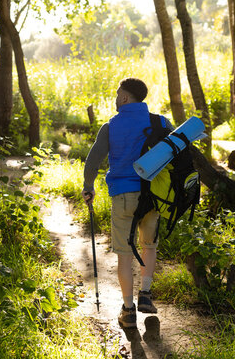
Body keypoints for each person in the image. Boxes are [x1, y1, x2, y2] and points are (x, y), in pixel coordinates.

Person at [81, 77, 173, 329]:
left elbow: (93, 161)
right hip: (152, 197)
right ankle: (145, 294)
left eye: (117, 93)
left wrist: (88, 187)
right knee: (149, 246)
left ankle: (128, 310)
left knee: (124, 255)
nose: (115, 97)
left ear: (124, 97)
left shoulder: (110, 126)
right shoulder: (161, 122)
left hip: (122, 196)